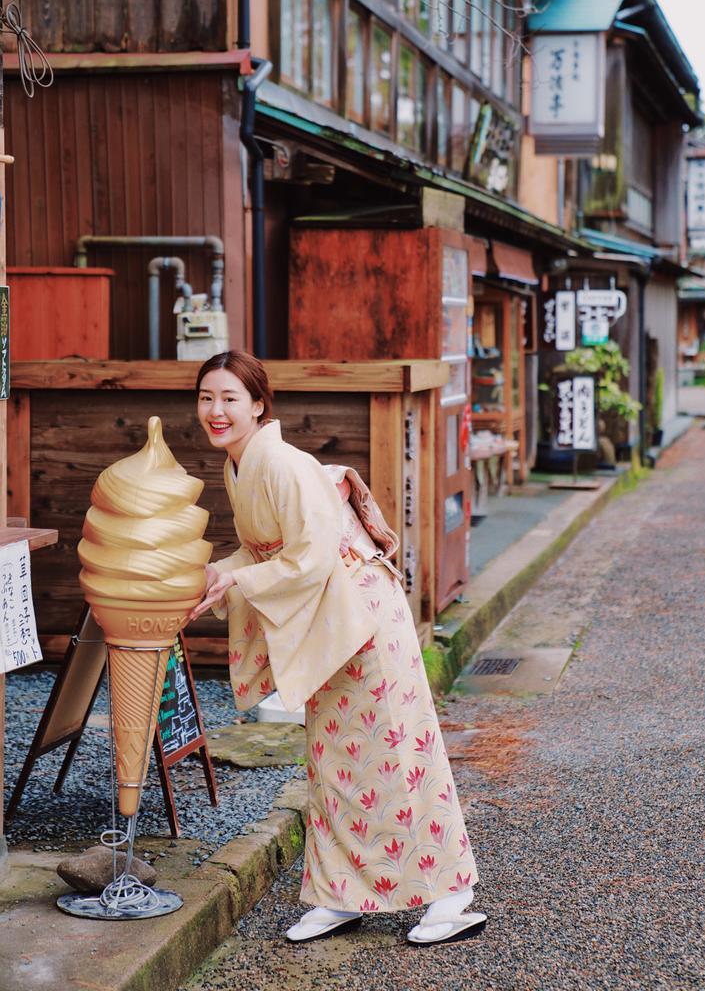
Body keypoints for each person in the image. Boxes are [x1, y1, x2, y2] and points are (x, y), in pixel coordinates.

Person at [191, 350, 486, 945]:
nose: (216, 411)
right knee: (333, 762)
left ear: (258, 406)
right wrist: (212, 572)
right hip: (329, 618)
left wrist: (238, 580)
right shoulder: (241, 464)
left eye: (229, 399)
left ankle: (451, 894)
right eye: (206, 398)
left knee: (398, 751)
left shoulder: (280, 463)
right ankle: (341, 892)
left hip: (363, 617)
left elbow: (312, 557)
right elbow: (262, 551)